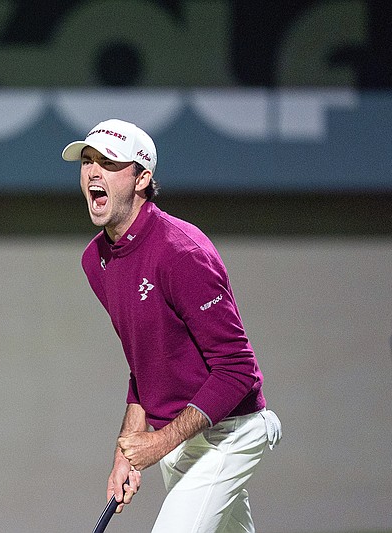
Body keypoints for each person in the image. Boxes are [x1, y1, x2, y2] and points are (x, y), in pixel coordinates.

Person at [62, 119, 281, 532]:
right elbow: (145, 366)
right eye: (87, 161)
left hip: (230, 433)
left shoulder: (181, 252)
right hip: (182, 442)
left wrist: (159, 442)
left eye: (109, 163)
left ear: (142, 178)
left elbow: (238, 370)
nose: (92, 172)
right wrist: (125, 454)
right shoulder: (96, 261)